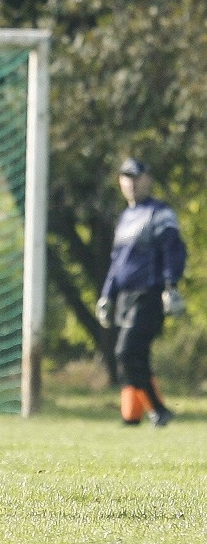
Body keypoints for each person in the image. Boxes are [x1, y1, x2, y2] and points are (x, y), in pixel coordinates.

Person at [95, 157, 187, 427]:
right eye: (126, 177)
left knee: (126, 352)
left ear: (148, 179)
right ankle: (132, 417)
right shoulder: (125, 217)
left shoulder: (160, 212)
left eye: (137, 177)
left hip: (149, 293)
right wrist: (107, 295)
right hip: (124, 297)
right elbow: (117, 262)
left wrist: (171, 285)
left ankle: (158, 409)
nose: (131, 183)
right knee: (136, 357)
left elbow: (173, 251)